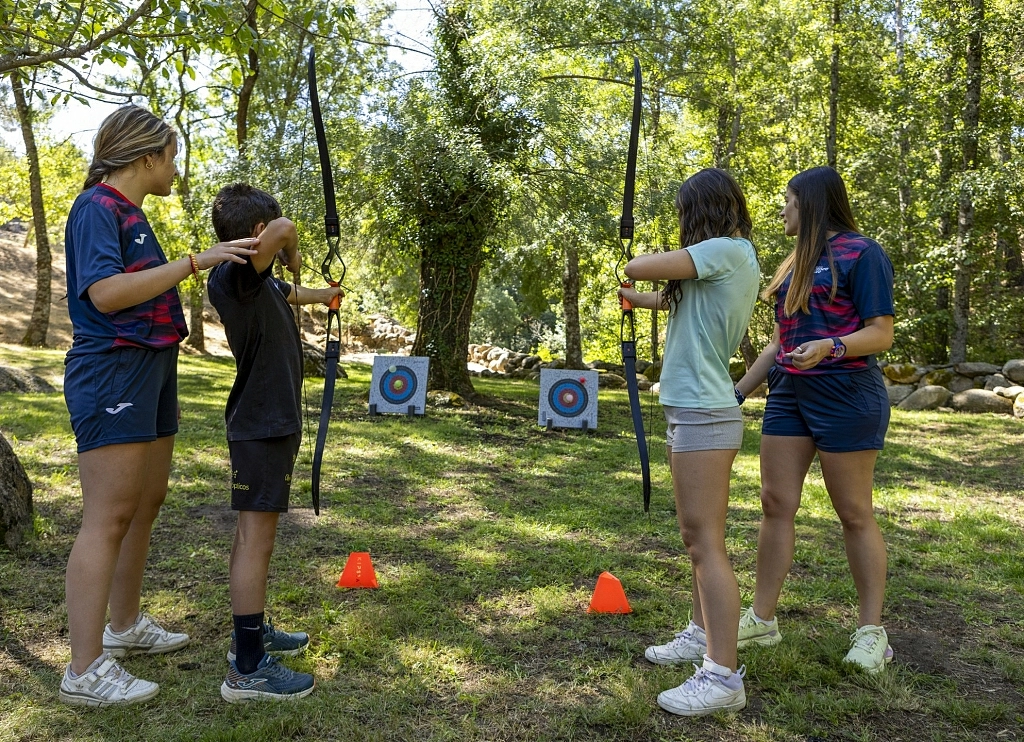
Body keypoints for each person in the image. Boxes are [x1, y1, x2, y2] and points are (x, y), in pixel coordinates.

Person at [59, 106, 259, 707]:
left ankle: (124, 630)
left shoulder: (130, 213)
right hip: (113, 369)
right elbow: (108, 293)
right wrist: (195, 261)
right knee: (109, 514)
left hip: (151, 365)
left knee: (145, 503)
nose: (175, 168)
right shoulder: (96, 207)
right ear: (145, 157)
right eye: (170, 156)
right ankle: (84, 668)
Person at [734, 166, 895, 673]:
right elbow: (780, 340)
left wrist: (834, 345)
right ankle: (762, 619)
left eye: (788, 200)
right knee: (775, 502)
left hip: (847, 392)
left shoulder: (862, 253)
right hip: (788, 394)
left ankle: (872, 632)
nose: (781, 209)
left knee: (853, 512)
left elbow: (881, 333)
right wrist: (737, 392)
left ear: (811, 203)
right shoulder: (790, 264)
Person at [621, 168, 760, 716]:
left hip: (705, 410)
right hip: (695, 406)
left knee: (705, 542)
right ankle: (702, 635)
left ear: (699, 210)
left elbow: (639, 263)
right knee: (696, 537)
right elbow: (687, 310)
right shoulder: (721, 261)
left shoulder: (727, 248)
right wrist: (645, 299)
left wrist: (635, 269)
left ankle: (723, 676)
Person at [206, 183, 341, 702]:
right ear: (257, 235)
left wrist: (324, 295)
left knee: (254, 534)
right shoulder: (233, 276)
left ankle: (252, 633)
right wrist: (293, 247)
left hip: (268, 421)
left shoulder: (257, 283)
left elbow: (291, 294)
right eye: (271, 231)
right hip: (261, 423)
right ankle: (246, 668)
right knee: (255, 539)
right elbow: (284, 231)